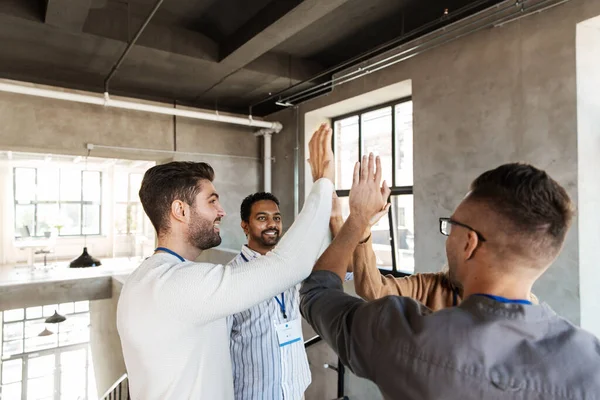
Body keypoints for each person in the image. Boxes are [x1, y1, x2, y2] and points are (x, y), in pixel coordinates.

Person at [301, 160, 600, 399]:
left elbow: (316, 292)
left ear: (469, 242)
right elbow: (373, 287)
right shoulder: (591, 362)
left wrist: (357, 219)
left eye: (451, 226)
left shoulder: (403, 338)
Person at [116, 124, 337, 400]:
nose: (221, 211)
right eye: (212, 202)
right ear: (180, 210)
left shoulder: (145, 280)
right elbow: (289, 265)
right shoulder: (177, 286)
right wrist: (323, 182)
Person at [227, 192, 353, 400]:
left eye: (276, 218)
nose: (272, 224)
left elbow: (346, 269)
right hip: (254, 394)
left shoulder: (296, 266)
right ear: (245, 225)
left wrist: (336, 220)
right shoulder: (230, 276)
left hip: (295, 390)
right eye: (262, 218)